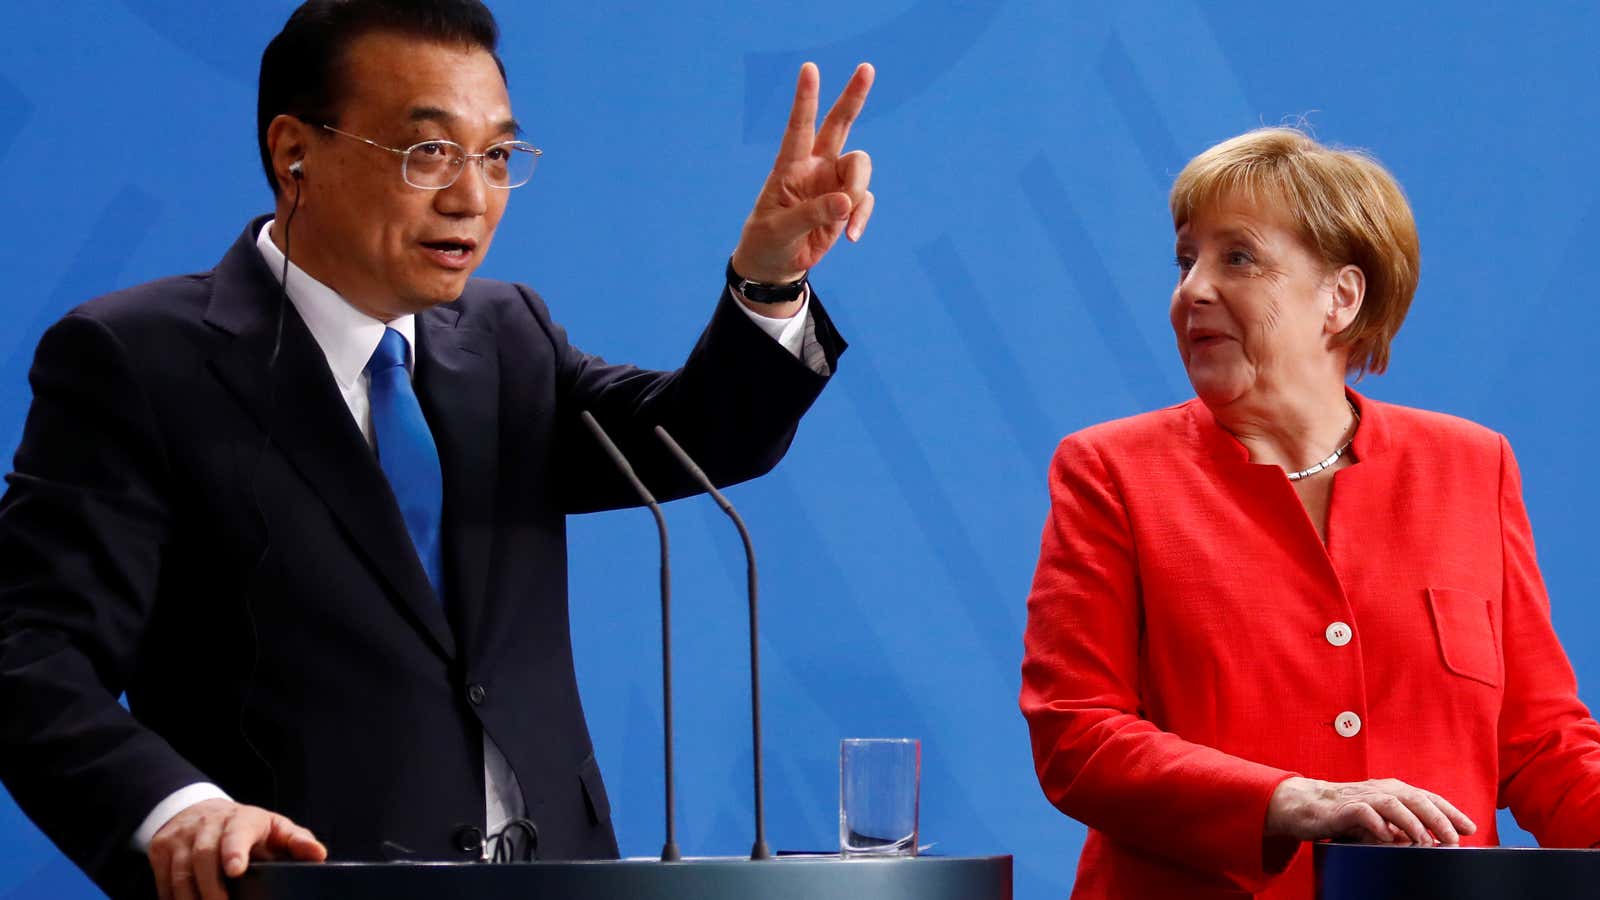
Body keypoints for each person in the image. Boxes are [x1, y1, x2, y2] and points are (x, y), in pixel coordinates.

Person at [0, 2, 875, 898]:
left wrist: (770, 280)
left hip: (564, 880)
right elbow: (31, 659)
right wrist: (180, 810)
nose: (471, 196)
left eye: (496, 156)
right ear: (294, 151)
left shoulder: (506, 337)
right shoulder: (138, 360)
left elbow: (699, 437)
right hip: (305, 883)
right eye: (428, 152)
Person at [1019, 127, 1600, 899]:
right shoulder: (1111, 472)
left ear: (1342, 297)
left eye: (1238, 257)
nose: (1192, 289)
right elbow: (1077, 736)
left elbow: (1542, 742)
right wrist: (1292, 801)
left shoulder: (1472, 465)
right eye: (1186, 258)